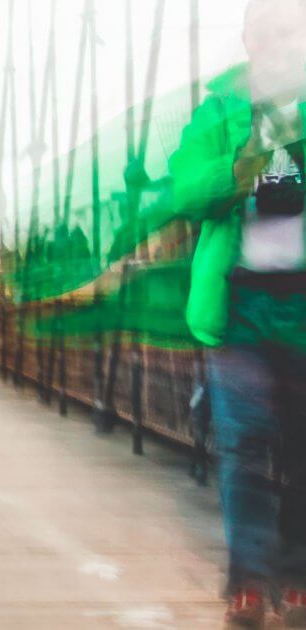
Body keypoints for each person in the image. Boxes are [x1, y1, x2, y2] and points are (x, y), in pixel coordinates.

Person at [165, 1, 306, 624]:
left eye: (288, 24)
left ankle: (297, 573)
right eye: (265, 25)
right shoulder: (220, 107)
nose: (276, 34)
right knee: (244, 445)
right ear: (248, 36)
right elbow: (184, 190)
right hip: (240, 303)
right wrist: (238, 168)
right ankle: (248, 576)